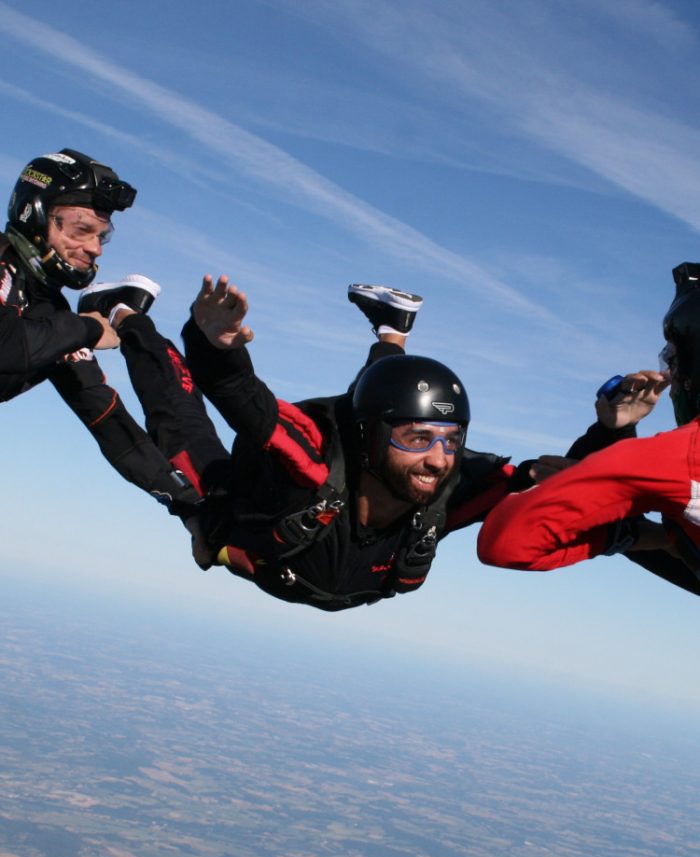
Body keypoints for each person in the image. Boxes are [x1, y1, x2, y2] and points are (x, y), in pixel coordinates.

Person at [108, 273, 663, 611]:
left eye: (451, 440)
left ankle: (392, 332)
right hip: (248, 507)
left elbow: (571, 490)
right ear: (375, 441)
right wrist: (215, 345)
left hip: (313, 552)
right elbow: (245, 402)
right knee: (179, 426)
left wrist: (612, 429)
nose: (438, 459)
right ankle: (126, 312)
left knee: (385, 398)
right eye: (418, 439)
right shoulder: (313, 462)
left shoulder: (453, 487)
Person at [1, 148, 205, 515]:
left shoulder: (50, 314)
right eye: (82, 231)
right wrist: (86, 328)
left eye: (102, 237)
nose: (94, 248)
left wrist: (193, 507)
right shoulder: (5, 269)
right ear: (34, 214)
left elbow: (109, 422)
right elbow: (5, 350)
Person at [476, 261, 700, 595]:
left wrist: (616, 506)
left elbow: (506, 542)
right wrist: (614, 436)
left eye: (672, 361)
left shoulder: (681, 457)